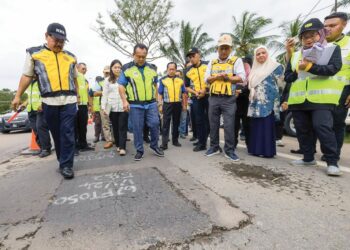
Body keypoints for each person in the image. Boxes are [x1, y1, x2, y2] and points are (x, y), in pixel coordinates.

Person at [12, 23, 78, 179]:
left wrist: (77, 96)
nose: (59, 44)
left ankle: (67, 165)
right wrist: (17, 95)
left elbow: (74, 78)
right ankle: (62, 160)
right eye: (56, 39)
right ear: (46, 36)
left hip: (69, 100)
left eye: (62, 41)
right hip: (49, 102)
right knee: (56, 133)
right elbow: (27, 76)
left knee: (68, 132)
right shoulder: (35, 54)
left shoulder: (70, 56)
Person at [285, 18, 343, 176]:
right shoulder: (296, 55)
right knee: (302, 130)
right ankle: (308, 157)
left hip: (321, 100)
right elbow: (288, 77)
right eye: (305, 37)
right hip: (298, 100)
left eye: (313, 35)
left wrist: (310, 66)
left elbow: (333, 69)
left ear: (321, 34)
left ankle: (332, 162)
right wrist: (297, 70)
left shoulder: (331, 49)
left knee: (322, 128)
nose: (309, 39)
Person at [118, 43, 164, 161]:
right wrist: (124, 101)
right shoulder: (126, 68)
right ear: (133, 55)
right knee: (137, 128)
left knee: (154, 124)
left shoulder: (152, 68)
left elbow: (155, 85)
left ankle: (154, 145)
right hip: (135, 104)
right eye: (138, 56)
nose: (141, 59)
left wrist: (158, 101)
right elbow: (121, 86)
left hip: (151, 103)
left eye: (144, 56)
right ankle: (139, 150)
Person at [204, 34, 246, 161]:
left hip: (229, 98)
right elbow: (206, 79)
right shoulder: (212, 62)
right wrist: (216, 77)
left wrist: (228, 78)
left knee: (229, 125)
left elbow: (242, 77)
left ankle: (229, 150)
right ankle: (214, 147)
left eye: (226, 48)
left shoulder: (236, 61)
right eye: (221, 48)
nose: (223, 51)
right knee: (213, 124)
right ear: (217, 49)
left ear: (230, 49)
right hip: (214, 98)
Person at [247, 46, 284, 158]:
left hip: (269, 102)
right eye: (258, 54)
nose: (261, 55)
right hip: (255, 102)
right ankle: (255, 149)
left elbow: (282, 85)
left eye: (263, 53)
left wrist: (281, 100)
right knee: (256, 125)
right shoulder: (254, 69)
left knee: (266, 125)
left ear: (267, 54)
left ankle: (267, 151)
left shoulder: (275, 67)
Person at [323, 12, 350, 162]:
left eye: (333, 25)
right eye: (325, 26)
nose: (328, 29)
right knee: (322, 124)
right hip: (320, 91)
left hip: (341, 91)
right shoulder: (320, 44)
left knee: (337, 124)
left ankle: (333, 154)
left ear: (344, 25)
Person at [184, 48, 210, 152]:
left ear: (199, 54)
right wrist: (195, 92)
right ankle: (201, 143)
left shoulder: (208, 65)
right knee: (199, 121)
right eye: (190, 57)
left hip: (209, 95)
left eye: (193, 56)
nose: (191, 58)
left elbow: (212, 79)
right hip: (196, 97)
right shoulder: (188, 70)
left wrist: (205, 90)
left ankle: (214, 144)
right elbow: (186, 86)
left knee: (211, 120)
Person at [101, 60, 128, 156]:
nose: (117, 69)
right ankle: (118, 144)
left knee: (122, 127)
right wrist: (104, 107)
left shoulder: (125, 79)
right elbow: (105, 95)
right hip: (111, 107)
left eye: (119, 67)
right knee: (115, 127)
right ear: (111, 69)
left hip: (123, 106)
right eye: (115, 67)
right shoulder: (107, 80)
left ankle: (122, 147)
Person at [158, 62, 187, 150]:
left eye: (173, 69)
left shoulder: (180, 80)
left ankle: (175, 141)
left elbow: (183, 93)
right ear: (167, 70)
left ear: (175, 69)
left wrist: (184, 105)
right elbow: (160, 93)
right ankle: (164, 144)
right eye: (169, 69)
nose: (171, 71)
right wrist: (160, 105)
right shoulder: (163, 80)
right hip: (167, 104)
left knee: (176, 123)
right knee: (166, 124)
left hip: (177, 104)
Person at [23, 78, 52, 157]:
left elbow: (46, 93)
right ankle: (42, 148)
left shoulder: (42, 80)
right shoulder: (29, 82)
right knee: (35, 129)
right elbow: (30, 96)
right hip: (31, 109)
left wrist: (42, 103)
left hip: (40, 108)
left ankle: (46, 149)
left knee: (41, 128)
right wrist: (24, 104)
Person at [92, 66, 114, 149]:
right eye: (106, 72)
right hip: (104, 105)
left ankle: (115, 139)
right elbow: (95, 93)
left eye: (109, 72)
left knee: (114, 123)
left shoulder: (115, 80)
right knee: (105, 124)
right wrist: (106, 91)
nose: (107, 74)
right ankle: (109, 141)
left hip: (114, 104)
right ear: (103, 72)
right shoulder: (100, 82)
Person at [234, 56, 252, 149]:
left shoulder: (252, 75)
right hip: (235, 103)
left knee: (247, 125)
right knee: (234, 125)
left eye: (245, 62)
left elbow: (251, 88)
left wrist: (240, 92)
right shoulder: (235, 73)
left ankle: (250, 145)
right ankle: (233, 144)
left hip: (246, 103)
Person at [75, 63, 93, 152]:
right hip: (75, 105)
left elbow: (88, 93)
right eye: (83, 68)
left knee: (83, 126)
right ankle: (77, 145)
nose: (85, 70)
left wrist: (89, 105)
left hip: (83, 105)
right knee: (76, 126)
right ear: (77, 68)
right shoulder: (75, 77)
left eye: (85, 69)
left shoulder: (85, 80)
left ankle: (83, 143)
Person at [91, 76, 104, 143]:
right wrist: (91, 107)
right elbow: (90, 97)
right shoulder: (93, 88)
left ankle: (103, 136)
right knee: (97, 123)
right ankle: (97, 136)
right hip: (96, 108)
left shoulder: (104, 86)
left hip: (103, 107)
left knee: (104, 123)